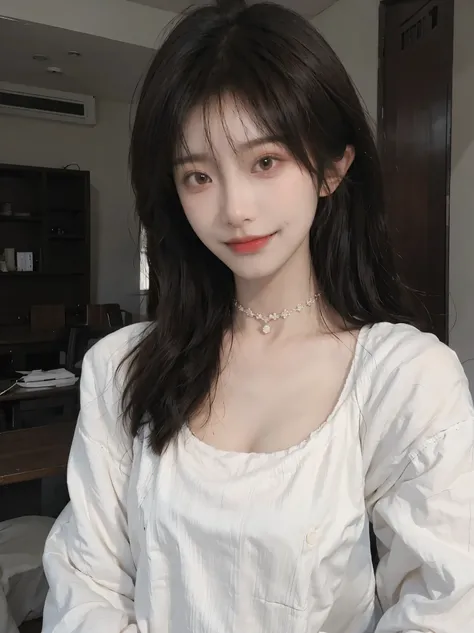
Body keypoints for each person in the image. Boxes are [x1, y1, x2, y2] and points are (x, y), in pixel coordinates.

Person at [41, 1, 474, 632]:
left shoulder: (403, 377)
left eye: (265, 162)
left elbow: (446, 605)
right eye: (198, 176)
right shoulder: (121, 368)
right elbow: (87, 585)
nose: (234, 208)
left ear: (332, 168)